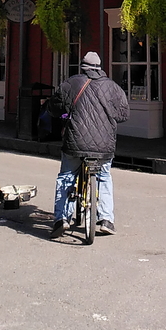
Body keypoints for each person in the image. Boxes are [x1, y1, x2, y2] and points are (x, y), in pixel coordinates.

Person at [48, 51, 128, 238]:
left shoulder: (71, 83)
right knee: (104, 177)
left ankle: (61, 219)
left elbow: (54, 106)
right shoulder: (113, 88)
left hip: (75, 142)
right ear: (100, 67)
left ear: (82, 66)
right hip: (104, 145)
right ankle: (106, 219)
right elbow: (124, 115)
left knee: (67, 176)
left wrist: (61, 112)